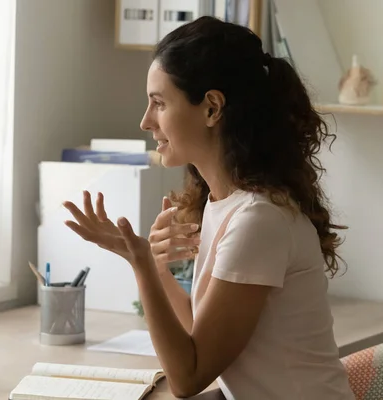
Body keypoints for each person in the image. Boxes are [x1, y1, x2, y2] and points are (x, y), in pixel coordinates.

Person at [62, 16, 355, 400]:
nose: (145, 121)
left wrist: (143, 265)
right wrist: (157, 268)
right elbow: (199, 336)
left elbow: (189, 377)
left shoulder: (258, 220)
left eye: (159, 103)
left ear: (212, 108)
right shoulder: (228, 207)